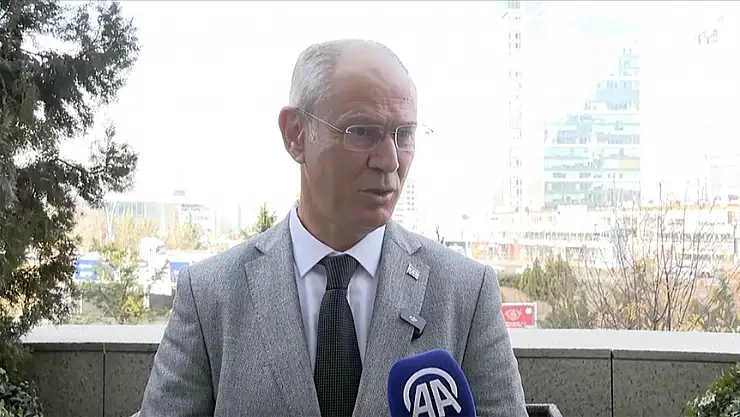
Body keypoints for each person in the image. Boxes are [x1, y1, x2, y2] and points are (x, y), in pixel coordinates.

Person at [137, 39, 527, 417]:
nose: (390, 160)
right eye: (362, 131)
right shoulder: (210, 295)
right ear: (295, 134)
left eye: (404, 134)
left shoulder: (466, 292)